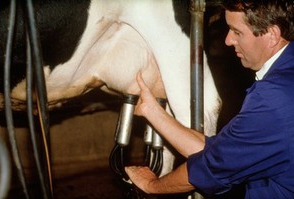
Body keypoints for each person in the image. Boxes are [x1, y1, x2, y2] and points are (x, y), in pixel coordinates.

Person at [125, 0, 294, 198]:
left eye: (237, 32)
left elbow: (213, 169)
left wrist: (151, 185)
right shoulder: (284, 81)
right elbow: (225, 152)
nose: (228, 40)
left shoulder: (272, 98)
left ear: (272, 35)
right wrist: (151, 111)